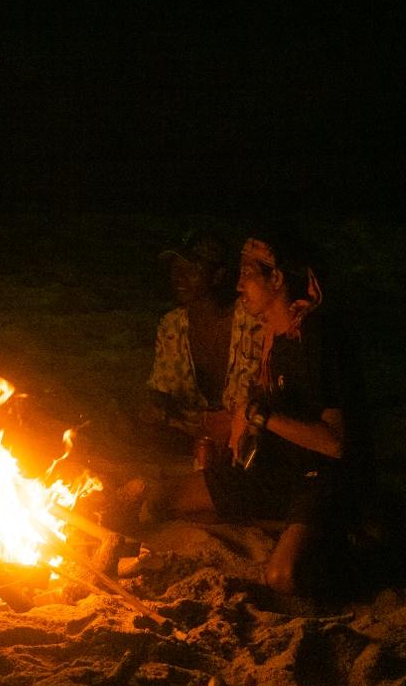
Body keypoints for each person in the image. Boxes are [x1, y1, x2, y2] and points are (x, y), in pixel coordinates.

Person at [165, 228, 361, 596]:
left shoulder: (317, 338)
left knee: (282, 577)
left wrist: (259, 417)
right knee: (173, 497)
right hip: (280, 471)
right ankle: (294, 527)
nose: (239, 286)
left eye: (247, 274)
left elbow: (335, 444)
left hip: (320, 477)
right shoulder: (274, 336)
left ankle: (351, 535)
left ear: (276, 278)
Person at [143, 226, 264, 460]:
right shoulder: (172, 327)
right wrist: (159, 409)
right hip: (197, 442)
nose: (179, 275)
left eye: (192, 268)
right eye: (176, 267)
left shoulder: (253, 322)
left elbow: (267, 400)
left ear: (218, 275)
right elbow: (161, 395)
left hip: (249, 441)